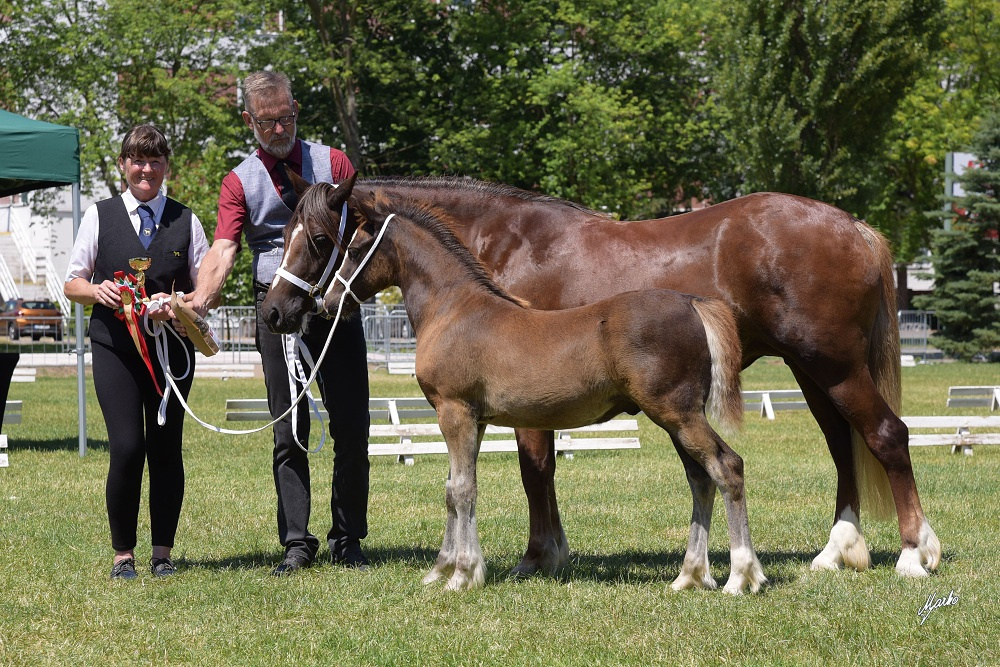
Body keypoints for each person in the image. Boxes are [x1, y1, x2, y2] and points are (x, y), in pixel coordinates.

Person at [188, 71, 371, 575]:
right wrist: (201, 300)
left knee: (353, 426)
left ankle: (348, 536)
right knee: (288, 432)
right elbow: (224, 248)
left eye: (287, 117)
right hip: (276, 310)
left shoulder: (332, 162)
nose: (279, 128)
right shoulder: (237, 181)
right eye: (268, 122)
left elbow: (362, 230)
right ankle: (297, 540)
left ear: (296, 110)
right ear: (249, 120)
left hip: (334, 308)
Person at [65, 124, 209, 580]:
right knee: (127, 447)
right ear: (123, 165)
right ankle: (122, 554)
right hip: (114, 349)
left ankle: (162, 554)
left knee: (167, 449)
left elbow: (206, 289)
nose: (146, 169)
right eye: (137, 160)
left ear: (167, 166)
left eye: (155, 160)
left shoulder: (187, 220)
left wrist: (182, 303)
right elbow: (72, 282)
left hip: (172, 353)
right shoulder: (99, 215)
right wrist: (96, 289)